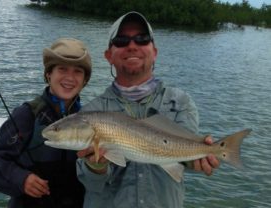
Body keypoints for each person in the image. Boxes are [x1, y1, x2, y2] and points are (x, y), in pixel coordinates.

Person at [76, 11, 220, 208]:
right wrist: (96, 166)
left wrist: (197, 158)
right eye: (121, 40)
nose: (132, 45)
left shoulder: (180, 102)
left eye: (142, 39)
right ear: (108, 56)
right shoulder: (92, 112)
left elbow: (184, 156)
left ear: (155, 52)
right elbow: (90, 184)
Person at [0, 38, 92, 208]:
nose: (70, 77)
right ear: (48, 74)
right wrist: (21, 179)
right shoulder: (27, 115)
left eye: (77, 71)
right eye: (62, 69)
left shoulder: (90, 119)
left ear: (85, 80)